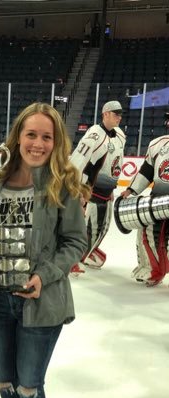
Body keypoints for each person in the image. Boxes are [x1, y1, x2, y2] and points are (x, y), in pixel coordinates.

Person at [0, 102, 88, 398]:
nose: (37, 144)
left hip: (43, 301)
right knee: (6, 385)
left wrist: (43, 275)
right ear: (18, 137)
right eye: (31, 134)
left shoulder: (63, 184)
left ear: (56, 143)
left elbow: (76, 241)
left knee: (29, 388)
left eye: (46, 137)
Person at [70, 100, 126, 273]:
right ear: (105, 114)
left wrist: (112, 189)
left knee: (103, 227)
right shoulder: (94, 134)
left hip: (106, 190)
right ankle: (72, 259)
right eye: (115, 114)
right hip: (89, 189)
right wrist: (76, 188)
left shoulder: (120, 135)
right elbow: (78, 160)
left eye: (120, 114)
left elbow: (115, 165)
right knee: (85, 226)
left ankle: (83, 254)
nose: (119, 117)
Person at [121, 133, 169, 286]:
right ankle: (154, 269)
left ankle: (157, 269)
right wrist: (130, 190)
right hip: (159, 201)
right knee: (149, 233)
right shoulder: (157, 144)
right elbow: (146, 172)